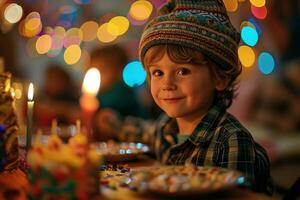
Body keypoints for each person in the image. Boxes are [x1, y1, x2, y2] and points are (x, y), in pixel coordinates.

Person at [96, 0, 273, 195]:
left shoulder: (231, 140)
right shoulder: (166, 128)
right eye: (158, 73)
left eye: (182, 71)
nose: (167, 84)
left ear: (220, 78)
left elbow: (237, 196)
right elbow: (139, 132)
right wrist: (111, 121)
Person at [88, 44, 150, 141]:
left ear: (119, 70)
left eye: (103, 70)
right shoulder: (102, 92)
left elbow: (105, 109)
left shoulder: (121, 91)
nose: (98, 76)